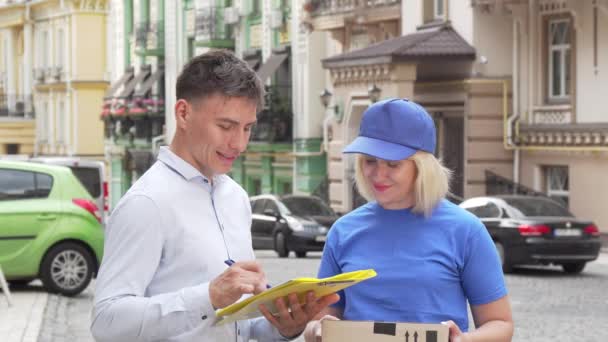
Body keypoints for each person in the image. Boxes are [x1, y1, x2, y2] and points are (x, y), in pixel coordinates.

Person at [91, 50, 338, 342]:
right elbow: (106, 322)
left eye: (247, 128)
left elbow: (236, 326)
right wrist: (208, 296)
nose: (239, 143)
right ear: (183, 113)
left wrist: (284, 326)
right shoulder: (146, 203)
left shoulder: (236, 197)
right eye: (226, 126)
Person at [303, 98, 514, 342]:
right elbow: (319, 321)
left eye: (393, 164)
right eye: (369, 161)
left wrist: (464, 340)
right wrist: (317, 330)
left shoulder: (466, 230)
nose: (379, 174)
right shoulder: (343, 231)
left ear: (422, 167)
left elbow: (500, 324)